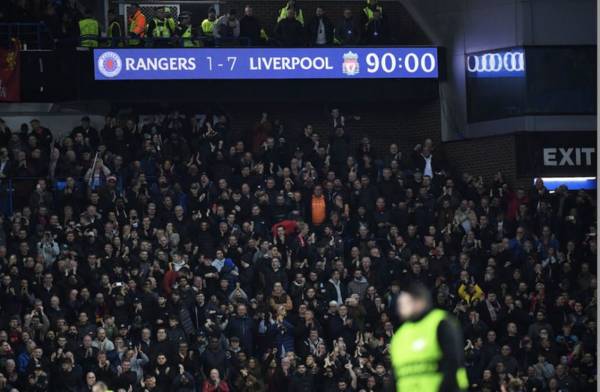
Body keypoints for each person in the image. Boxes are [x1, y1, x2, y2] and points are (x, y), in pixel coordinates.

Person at [391, 283, 469, 391]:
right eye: (400, 304)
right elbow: (395, 375)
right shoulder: (399, 335)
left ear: (419, 301)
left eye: (405, 303)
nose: (400, 308)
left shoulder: (440, 323)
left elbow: (453, 363)